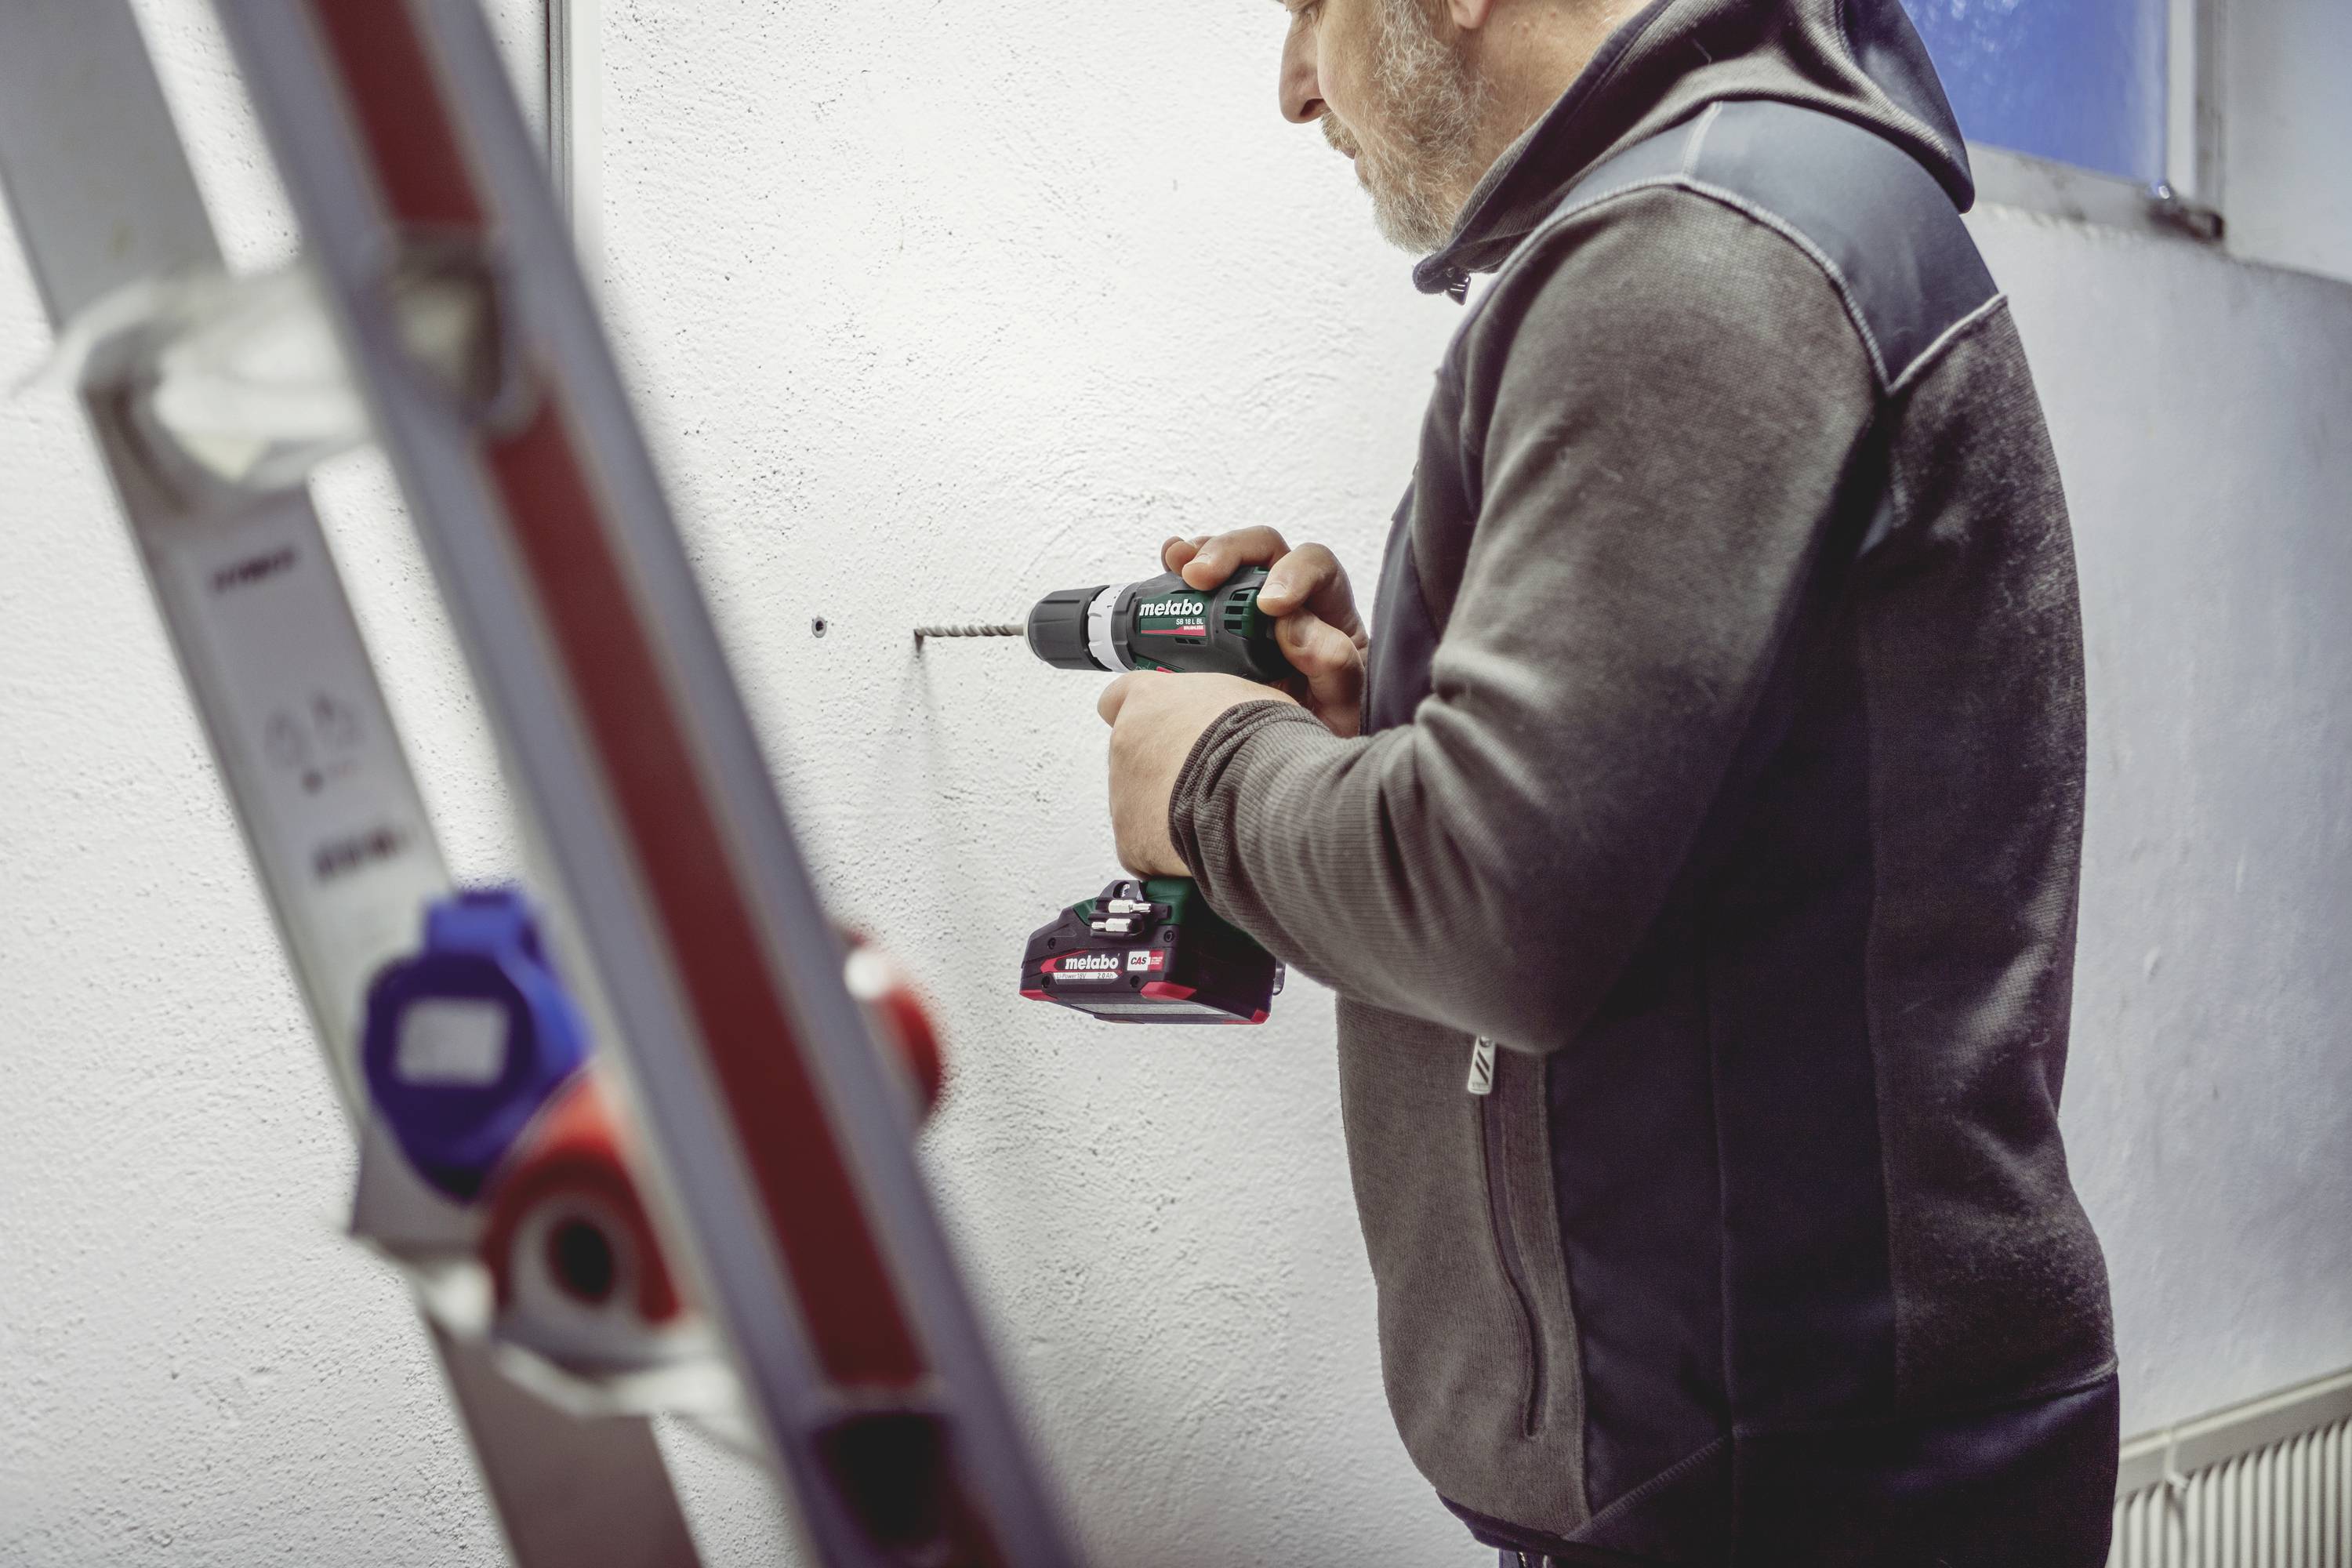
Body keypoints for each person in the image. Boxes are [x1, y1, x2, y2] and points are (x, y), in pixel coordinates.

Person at [1094, 0, 2121, 1562]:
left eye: (1309, 9)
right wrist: (1373, 730)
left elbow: (1505, 901)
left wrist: (1211, 777)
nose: (1297, 85)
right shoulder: (1752, 212)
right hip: (1798, 1455)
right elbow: (1679, 827)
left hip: (1789, 1492)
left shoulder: (1697, 250)